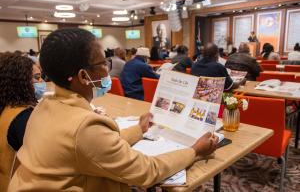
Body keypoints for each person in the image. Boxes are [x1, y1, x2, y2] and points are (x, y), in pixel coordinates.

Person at [8, 28, 218, 192]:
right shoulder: (85, 127)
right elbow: (147, 171)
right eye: (104, 62)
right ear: (83, 76)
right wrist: (195, 150)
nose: (108, 68)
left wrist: (139, 129)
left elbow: (97, 147)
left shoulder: (45, 105)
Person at [0, 53, 42, 191]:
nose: (41, 81)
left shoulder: (6, 107)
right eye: (36, 78)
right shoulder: (23, 117)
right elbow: (44, 159)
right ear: (20, 82)